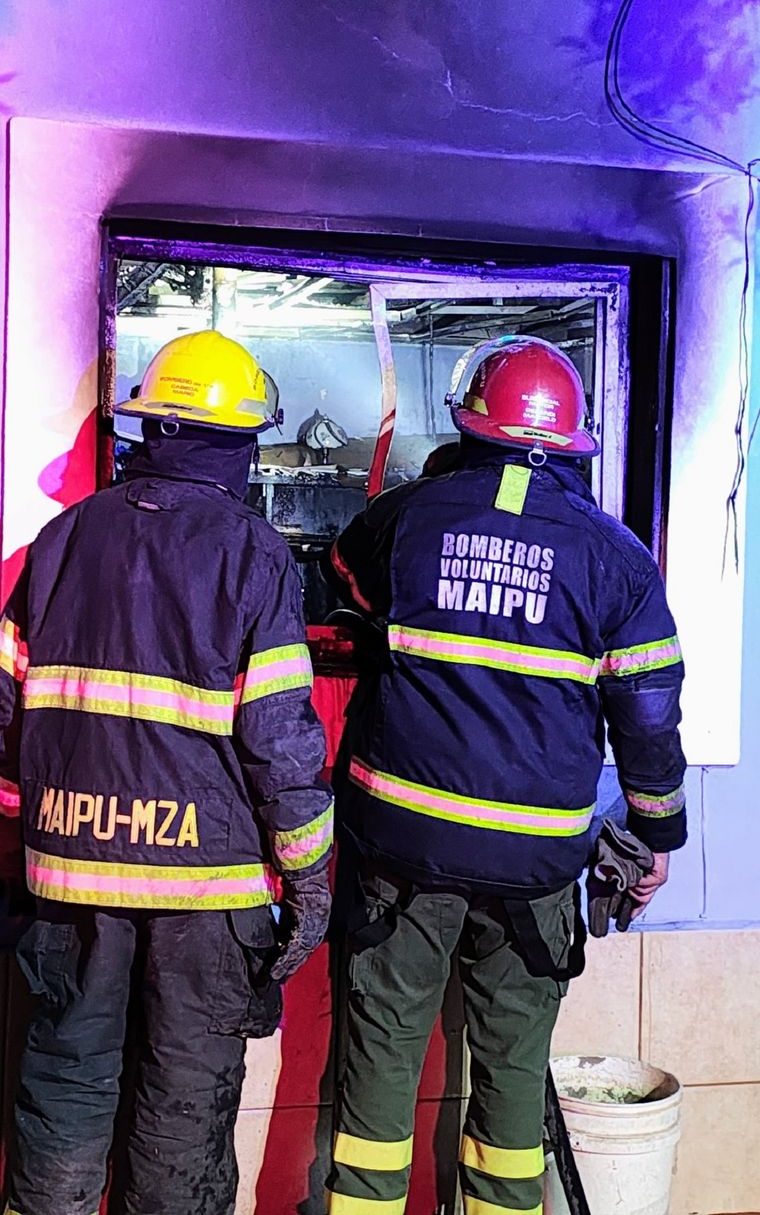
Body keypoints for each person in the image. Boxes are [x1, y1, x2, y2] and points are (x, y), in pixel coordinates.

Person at [325, 334, 686, 1215]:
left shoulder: (405, 518)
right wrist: (657, 834)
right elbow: (648, 709)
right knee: (514, 1082)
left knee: (379, 1067)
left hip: (399, 852)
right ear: (572, 446)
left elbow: (337, 584)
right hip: (534, 868)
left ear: (470, 426)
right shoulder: (619, 561)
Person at [0, 330, 332, 1215]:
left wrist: (22, 835)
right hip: (204, 892)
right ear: (241, 443)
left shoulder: (62, 538)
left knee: (62, 1094)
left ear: (152, 428)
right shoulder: (254, 554)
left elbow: (5, 712)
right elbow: (281, 740)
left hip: (70, 884)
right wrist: (310, 877)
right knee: (182, 1114)